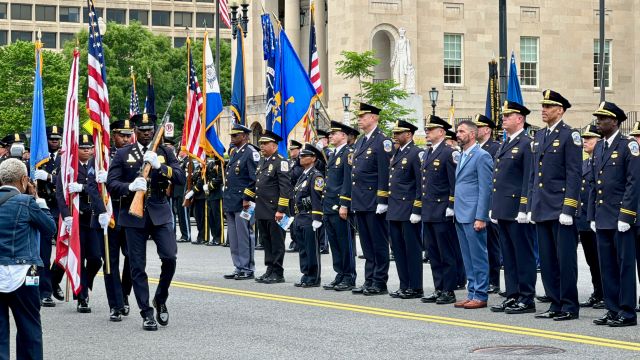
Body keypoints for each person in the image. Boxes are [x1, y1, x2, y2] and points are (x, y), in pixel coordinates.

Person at [106, 113, 185, 331]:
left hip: (160, 210)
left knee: (170, 257)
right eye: (142, 130)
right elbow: (112, 184)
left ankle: (160, 298)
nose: (148, 133)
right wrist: (130, 187)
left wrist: (161, 167)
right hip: (133, 214)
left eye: (150, 129)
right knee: (136, 265)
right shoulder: (123, 154)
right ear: (134, 131)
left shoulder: (165, 152)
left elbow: (180, 178)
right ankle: (146, 313)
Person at [529, 90, 581, 321]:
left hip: (560, 208)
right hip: (542, 207)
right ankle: (555, 302)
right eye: (543, 106)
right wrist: (531, 205)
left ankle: (569, 305)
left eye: (549, 106)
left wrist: (569, 208)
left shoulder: (570, 135)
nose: (544, 110)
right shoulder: (539, 136)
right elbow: (534, 175)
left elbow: (574, 174)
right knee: (548, 260)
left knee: (565, 260)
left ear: (560, 110)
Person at [589, 101, 639, 327]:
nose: (598, 122)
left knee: (624, 266)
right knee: (606, 265)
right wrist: (592, 215)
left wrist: (626, 215)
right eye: (598, 118)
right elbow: (594, 183)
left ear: (616, 121)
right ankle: (612, 308)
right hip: (603, 217)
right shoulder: (600, 147)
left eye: (603, 118)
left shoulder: (628, 145)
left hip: (621, 218)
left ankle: (627, 312)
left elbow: (633, 182)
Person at [0, 158, 56, 360]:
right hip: (23, 272)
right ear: (24, 179)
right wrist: (39, 201)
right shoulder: (27, 202)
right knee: (29, 328)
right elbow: (50, 229)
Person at [488, 102, 537, 315]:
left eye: (508, 115)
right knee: (508, 255)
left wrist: (525, 207)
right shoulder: (505, 144)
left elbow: (529, 178)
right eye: (503, 115)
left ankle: (526, 298)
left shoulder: (527, 143)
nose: (503, 118)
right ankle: (513, 294)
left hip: (517, 209)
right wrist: (494, 206)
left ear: (520, 119)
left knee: (523, 255)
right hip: (503, 208)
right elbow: (499, 179)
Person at [88, 119, 134, 321]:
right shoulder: (99, 157)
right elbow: (92, 187)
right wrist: (101, 212)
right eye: (121, 135)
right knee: (110, 261)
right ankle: (115, 305)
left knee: (133, 259)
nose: (125, 139)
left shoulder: (135, 157)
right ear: (112, 136)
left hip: (128, 214)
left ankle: (123, 293)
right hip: (106, 215)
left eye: (128, 135)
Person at [55, 135, 102, 313]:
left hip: (94, 218)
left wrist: (82, 187)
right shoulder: (67, 168)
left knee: (96, 259)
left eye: (90, 147)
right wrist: (66, 216)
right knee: (79, 258)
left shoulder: (96, 166)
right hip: (77, 219)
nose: (87, 151)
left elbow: (100, 188)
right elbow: (61, 194)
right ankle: (82, 296)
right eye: (83, 148)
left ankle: (83, 285)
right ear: (76, 150)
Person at [351, 103, 392, 296]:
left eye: (363, 116)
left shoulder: (382, 141)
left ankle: (379, 281)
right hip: (361, 200)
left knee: (378, 242)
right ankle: (369, 279)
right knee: (366, 244)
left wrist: (382, 200)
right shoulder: (360, 141)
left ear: (374, 118)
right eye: (359, 117)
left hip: (374, 201)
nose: (360, 119)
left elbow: (385, 173)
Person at [452, 120, 493, 309]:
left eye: (461, 131)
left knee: (478, 256)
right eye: (457, 131)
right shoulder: (462, 155)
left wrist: (481, 216)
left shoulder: (482, 156)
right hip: (461, 213)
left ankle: (481, 294)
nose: (457, 134)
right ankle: (472, 292)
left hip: (473, 214)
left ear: (472, 134)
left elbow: (486, 189)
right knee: (467, 257)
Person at [243, 130, 292, 284]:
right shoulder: (263, 161)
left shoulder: (281, 162)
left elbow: (285, 189)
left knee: (277, 242)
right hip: (262, 209)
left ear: (274, 146)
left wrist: (281, 210)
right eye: (261, 144)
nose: (262, 146)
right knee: (267, 241)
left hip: (275, 210)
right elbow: (257, 184)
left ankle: (278, 272)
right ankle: (269, 269)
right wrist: (246, 197)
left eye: (265, 144)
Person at [420, 115, 458, 305]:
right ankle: (439, 287)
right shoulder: (427, 153)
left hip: (442, 210)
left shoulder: (448, 153)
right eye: (427, 129)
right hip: (428, 210)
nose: (427, 132)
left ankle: (449, 290)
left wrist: (451, 206)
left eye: (431, 129)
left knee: (446, 253)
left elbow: (454, 184)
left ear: (441, 132)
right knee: (433, 253)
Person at [387, 120, 424, 300]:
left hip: (408, 209)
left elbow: (420, 184)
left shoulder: (416, 153)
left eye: (398, 133)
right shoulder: (397, 152)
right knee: (398, 249)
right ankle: (404, 284)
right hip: (395, 208)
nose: (395, 136)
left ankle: (416, 286)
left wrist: (417, 209)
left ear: (408, 134)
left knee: (412, 249)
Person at [322, 121, 356, 291]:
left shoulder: (348, 154)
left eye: (334, 133)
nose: (331, 136)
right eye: (330, 134)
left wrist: (344, 204)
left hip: (339, 205)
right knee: (335, 243)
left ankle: (349, 276)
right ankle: (340, 273)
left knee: (344, 242)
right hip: (329, 205)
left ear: (343, 136)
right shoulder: (334, 154)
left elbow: (347, 181)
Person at [223, 124, 259, 280]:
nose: (232, 138)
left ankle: (247, 267)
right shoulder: (234, 153)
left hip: (244, 202)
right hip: (232, 200)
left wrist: (247, 198)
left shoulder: (251, 153)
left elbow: (254, 179)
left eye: (235, 135)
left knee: (244, 235)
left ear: (245, 136)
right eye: (232, 135)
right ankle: (238, 266)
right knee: (234, 236)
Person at [32, 125, 63, 307]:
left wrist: (50, 178)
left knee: (65, 250)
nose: (54, 141)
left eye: (57, 138)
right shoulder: (38, 157)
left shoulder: (67, 158)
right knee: (43, 252)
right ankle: (45, 291)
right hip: (43, 207)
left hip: (61, 208)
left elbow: (69, 180)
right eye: (51, 138)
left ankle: (53, 279)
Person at [577, 125, 604, 310]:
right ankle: (597, 292)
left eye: (590, 138)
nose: (585, 141)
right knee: (591, 260)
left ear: (599, 141)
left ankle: (606, 294)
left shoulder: (601, 161)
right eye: (584, 138)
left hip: (599, 218)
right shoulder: (585, 163)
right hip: (585, 220)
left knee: (603, 260)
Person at [474, 114, 502, 294]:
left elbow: (494, 179)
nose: (475, 130)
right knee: (479, 244)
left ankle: (494, 280)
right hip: (476, 202)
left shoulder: (495, 148)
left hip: (490, 202)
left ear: (487, 130)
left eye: (479, 127)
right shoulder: (475, 148)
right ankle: (480, 279)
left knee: (492, 244)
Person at [292, 144, 325, 287]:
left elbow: (317, 198)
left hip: (310, 216)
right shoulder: (303, 175)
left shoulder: (316, 176)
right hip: (300, 216)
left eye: (305, 156)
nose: (301, 158)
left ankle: (313, 277)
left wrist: (317, 218)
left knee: (311, 249)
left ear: (313, 159)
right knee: (303, 248)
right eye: (301, 155)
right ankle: (305, 274)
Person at [286, 140, 304, 253]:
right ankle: (294, 240)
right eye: (290, 149)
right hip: (290, 194)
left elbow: (295, 175)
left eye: (293, 149)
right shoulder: (290, 162)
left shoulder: (300, 163)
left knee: (296, 219)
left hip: (297, 194)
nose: (291, 151)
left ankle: (298, 242)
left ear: (298, 150)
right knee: (291, 219)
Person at [173, 150, 191, 243]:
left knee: (183, 215)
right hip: (177, 191)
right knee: (180, 215)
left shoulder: (188, 162)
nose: (179, 152)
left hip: (183, 192)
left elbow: (187, 178)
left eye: (181, 150)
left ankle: (187, 235)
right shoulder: (181, 162)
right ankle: (184, 234)